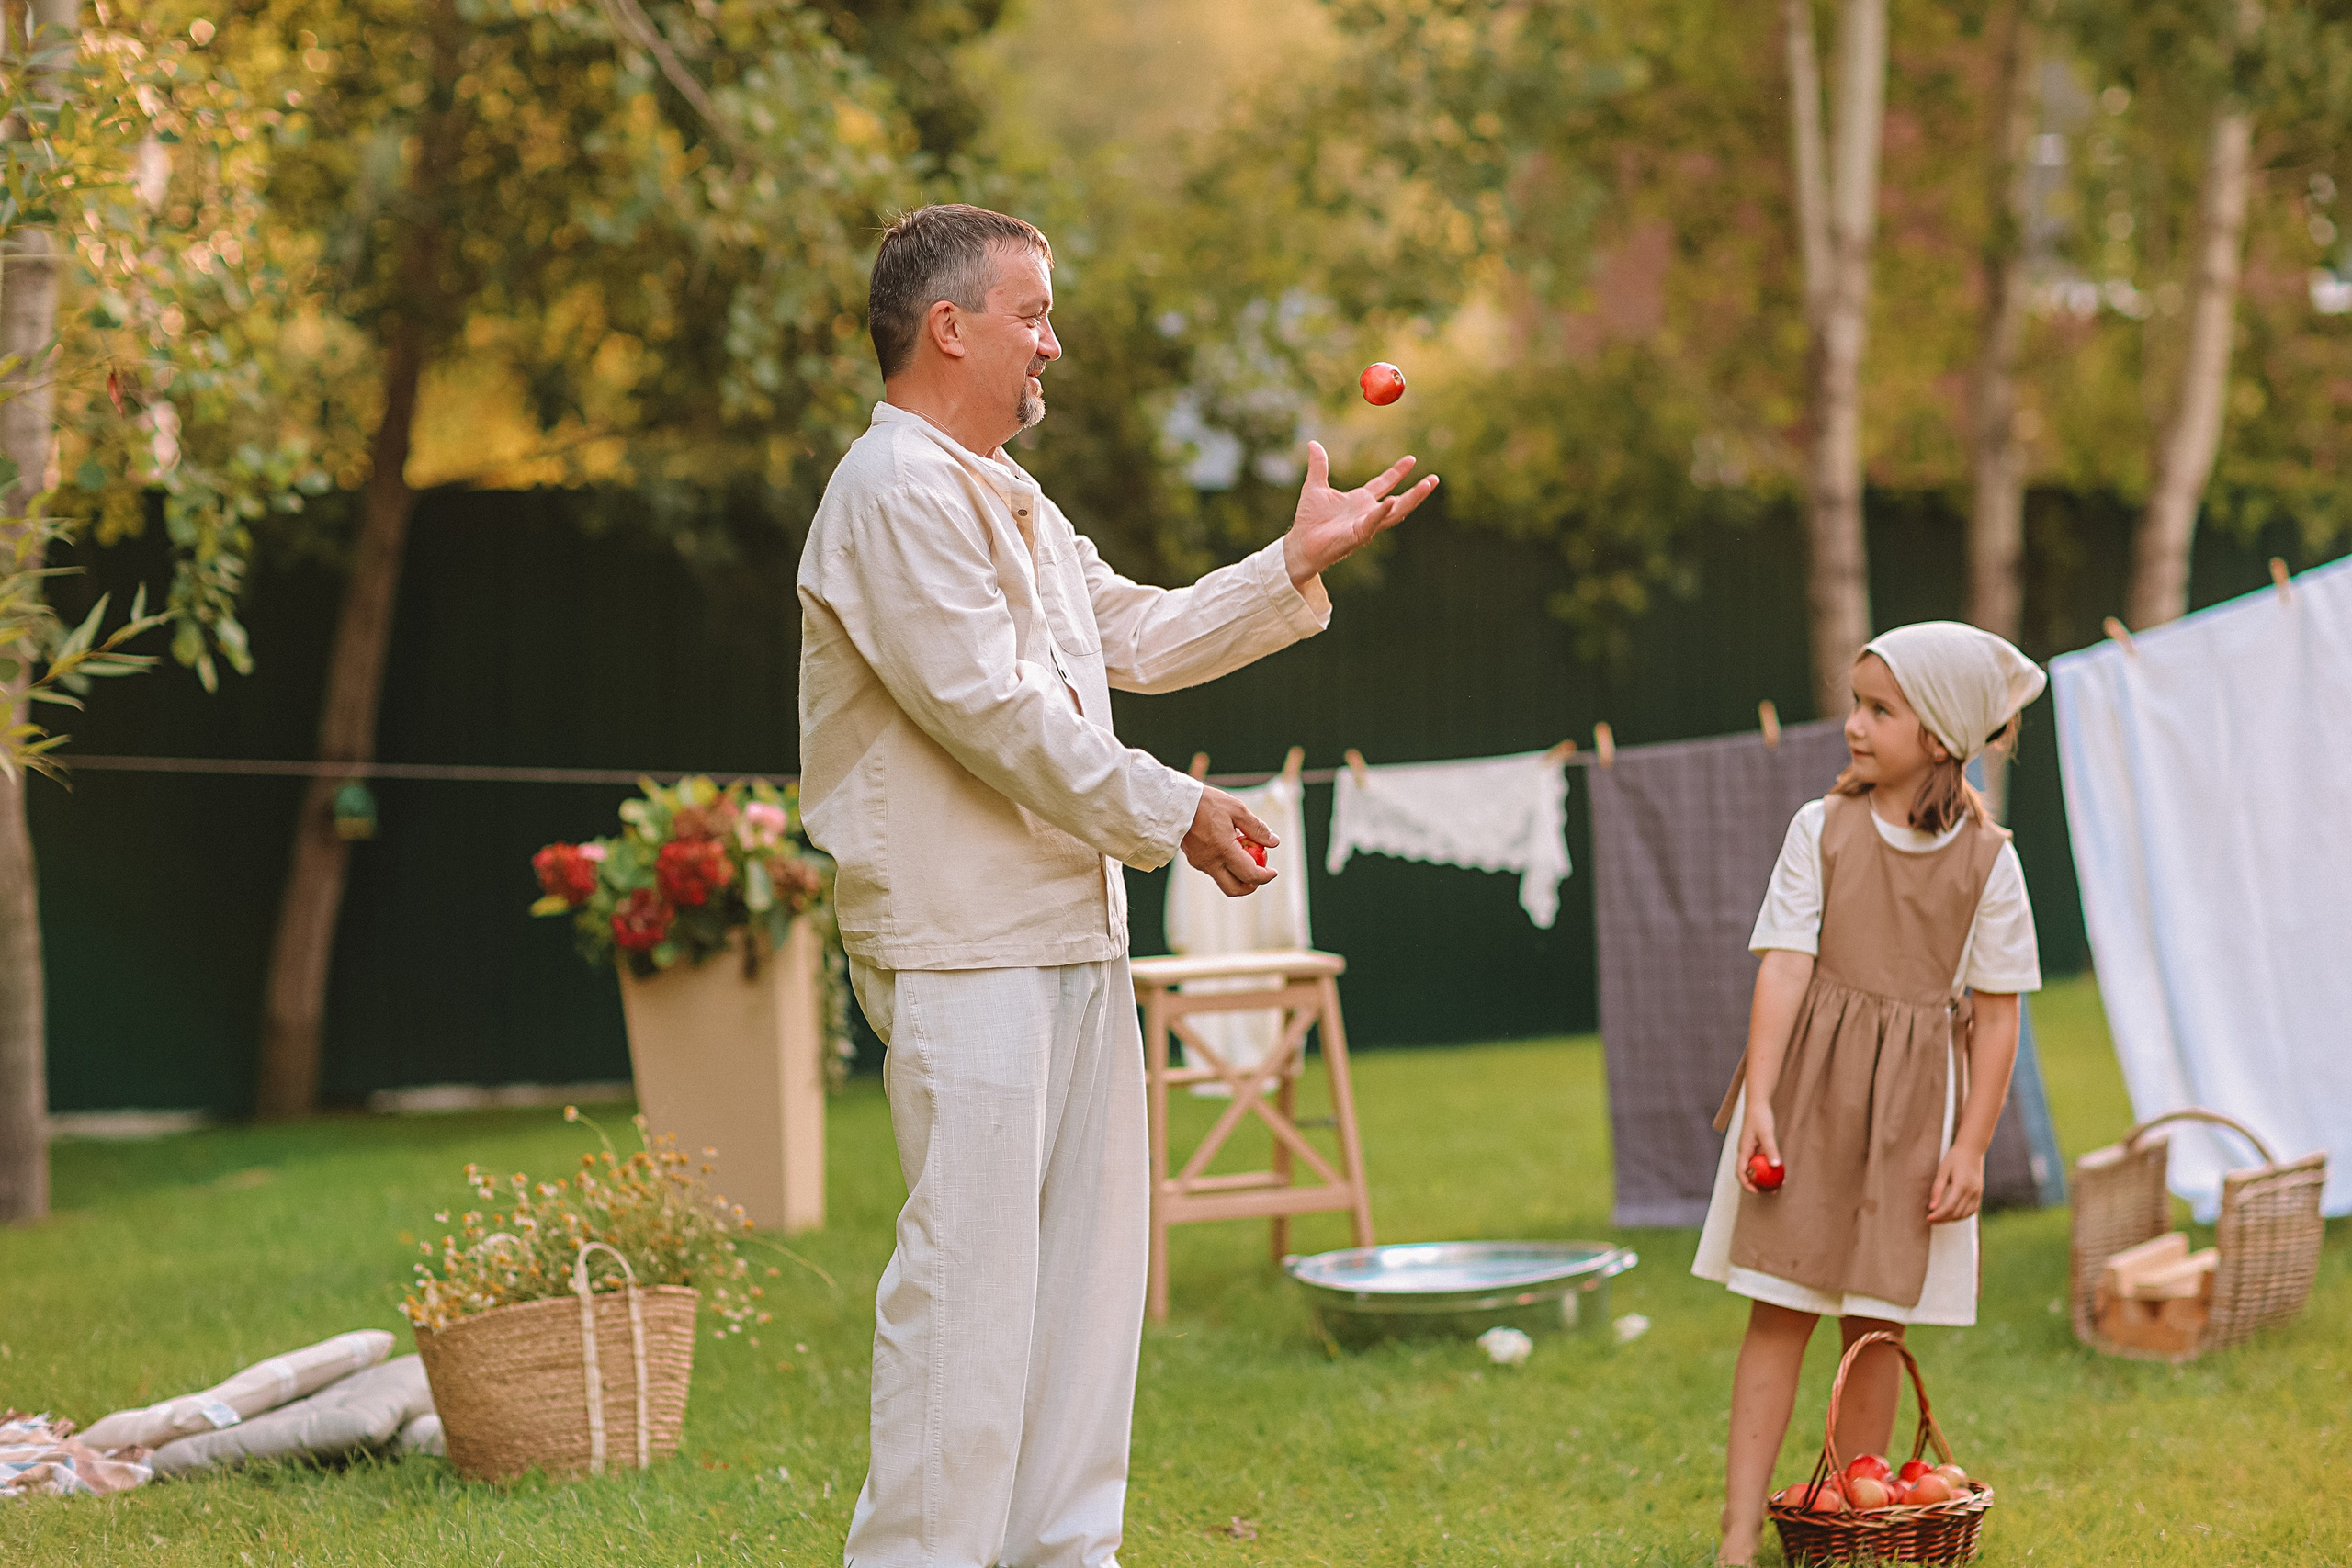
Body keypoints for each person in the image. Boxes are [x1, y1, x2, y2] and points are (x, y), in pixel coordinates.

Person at [795, 203, 1438, 1568]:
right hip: (961, 944)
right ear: (947, 326)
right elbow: (993, 711)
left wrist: (1289, 565)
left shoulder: (1010, 493)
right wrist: (1179, 808)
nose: (1054, 342)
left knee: (1084, 1302)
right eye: (1032, 313)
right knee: (965, 1302)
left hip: (1068, 931)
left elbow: (1130, 629)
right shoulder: (894, 490)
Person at [1692, 622, 2048, 1565]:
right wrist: (1759, 1096)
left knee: (1877, 1323)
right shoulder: (1822, 828)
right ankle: (1735, 1539)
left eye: (1877, 709)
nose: (1853, 724)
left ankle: (1853, 1529)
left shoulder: (1989, 862)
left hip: (1911, 1121)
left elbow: (1999, 1017)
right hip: (1809, 1099)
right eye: (1856, 702)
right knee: (1777, 1306)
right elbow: (1784, 967)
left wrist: (1971, 1146)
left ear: (1937, 735)